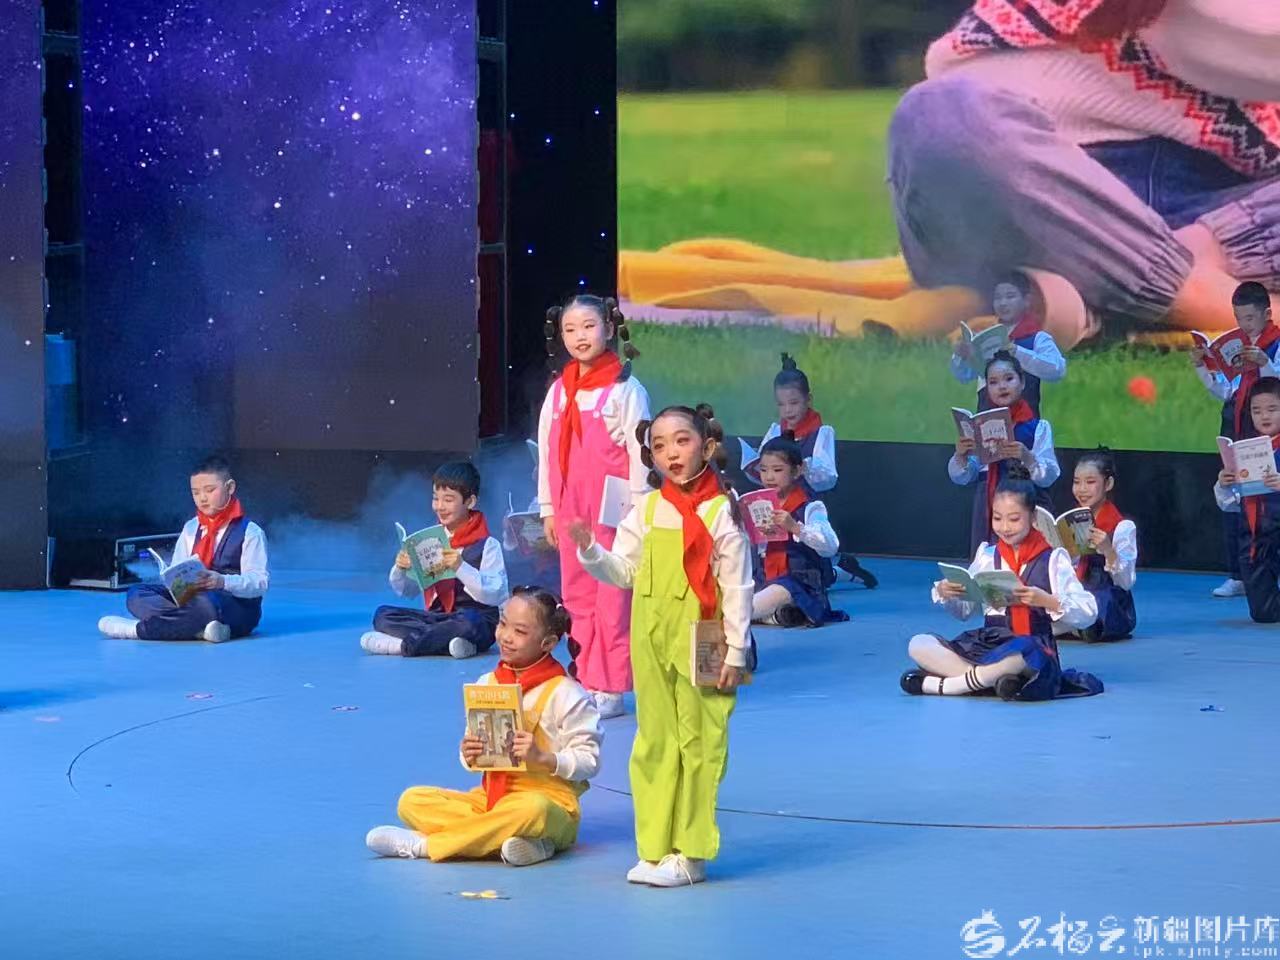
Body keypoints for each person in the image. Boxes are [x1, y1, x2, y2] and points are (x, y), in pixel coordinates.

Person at [890, 0, 1280, 341]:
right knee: (939, 114)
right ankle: (1203, 298)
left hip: (1219, 207)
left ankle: (1072, 293)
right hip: (1027, 188)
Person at [570, 403, 751, 887]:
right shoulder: (648, 509)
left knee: (700, 741)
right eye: (659, 445)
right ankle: (653, 848)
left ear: (707, 447)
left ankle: (690, 853)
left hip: (704, 637)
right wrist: (590, 551)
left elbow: (737, 587)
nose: (671, 452)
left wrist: (736, 651)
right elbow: (624, 571)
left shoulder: (721, 511)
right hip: (651, 638)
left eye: (682, 441)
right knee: (654, 741)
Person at [365, 587, 602, 866]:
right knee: (412, 800)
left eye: (520, 631)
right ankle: (527, 843)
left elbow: (590, 761)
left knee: (532, 810)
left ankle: (426, 845)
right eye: (503, 624)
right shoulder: (488, 683)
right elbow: (475, 752)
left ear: (548, 643)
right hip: (492, 800)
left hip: (549, 804)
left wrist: (543, 758)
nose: (505, 636)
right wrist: (469, 754)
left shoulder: (568, 693)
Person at [536, 295, 650, 718]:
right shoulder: (559, 392)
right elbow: (547, 454)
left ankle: (613, 685)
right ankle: (585, 676)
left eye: (588, 326)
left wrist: (640, 511)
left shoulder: (625, 390)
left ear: (609, 328)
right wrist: (548, 509)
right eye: (570, 329)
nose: (579, 336)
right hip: (571, 508)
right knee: (577, 594)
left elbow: (641, 456)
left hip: (614, 510)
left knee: (613, 596)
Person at [902, 469, 1103, 701]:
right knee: (919, 644)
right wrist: (949, 593)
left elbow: (1089, 613)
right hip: (990, 642)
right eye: (997, 518)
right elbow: (964, 613)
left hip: (1030, 645)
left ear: (1033, 517)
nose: (1005, 527)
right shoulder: (987, 556)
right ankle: (992, 680)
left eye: (1014, 519)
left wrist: (1048, 601)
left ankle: (948, 686)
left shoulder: (1053, 559)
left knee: (1023, 654)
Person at [98, 455, 268, 642]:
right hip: (192, 600)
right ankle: (201, 630)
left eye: (210, 490)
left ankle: (138, 630)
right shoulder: (191, 527)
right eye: (195, 493)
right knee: (136, 595)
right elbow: (178, 571)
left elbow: (259, 583)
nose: (202, 498)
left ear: (230, 487)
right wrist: (173, 580)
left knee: (206, 606)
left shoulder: (250, 532)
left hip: (235, 606)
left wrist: (222, 581)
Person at [743, 353, 877, 588]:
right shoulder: (775, 430)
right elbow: (763, 469)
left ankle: (839, 573)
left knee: (807, 560)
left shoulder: (821, 432)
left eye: (794, 403)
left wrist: (805, 466)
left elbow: (828, 478)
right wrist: (756, 467)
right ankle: (836, 572)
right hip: (778, 502)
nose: (788, 410)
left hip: (802, 503)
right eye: (781, 404)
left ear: (808, 400)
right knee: (778, 555)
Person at [360, 461, 509, 659]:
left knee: (469, 623)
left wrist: (460, 567)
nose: (440, 507)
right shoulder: (430, 540)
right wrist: (401, 568)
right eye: (435, 498)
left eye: (448, 500)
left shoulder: (488, 544)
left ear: (470, 502)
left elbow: (496, 594)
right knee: (383, 615)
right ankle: (452, 644)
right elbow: (408, 591)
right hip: (439, 618)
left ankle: (402, 646)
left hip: (475, 619)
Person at [1192, 281, 1280, 598]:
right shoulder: (1237, 346)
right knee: (1237, 497)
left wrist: (1265, 364)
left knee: (1270, 503)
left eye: (1250, 318)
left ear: (1267, 314)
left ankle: (1269, 575)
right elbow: (1227, 390)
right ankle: (1239, 574)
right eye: (1239, 318)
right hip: (1240, 426)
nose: (1245, 325)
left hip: (1271, 434)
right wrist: (1203, 366)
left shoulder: (1276, 343)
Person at [949, 352, 1060, 552]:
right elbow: (965, 476)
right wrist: (961, 456)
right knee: (988, 559)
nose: (1001, 386)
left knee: (1028, 558)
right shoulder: (980, 426)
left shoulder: (1037, 427)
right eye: (993, 382)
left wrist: (1028, 458)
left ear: (1022, 382)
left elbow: (1049, 476)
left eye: (1009, 379)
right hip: (988, 502)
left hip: (1025, 500)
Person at [749, 432, 846, 628]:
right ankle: (777, 616)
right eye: (763, 470)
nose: (769, 477)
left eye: (777, 470)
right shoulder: (757, 503)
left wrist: (795, 527)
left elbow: (830, 546)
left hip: (798, 583)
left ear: (797, 470)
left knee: (745, 608)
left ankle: (772, 613)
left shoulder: (810, 506)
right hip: (763, 578)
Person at [950, 272, 1067, 415]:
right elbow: (963, 376)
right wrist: (961, 356)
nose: (1003, 303)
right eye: (997, 298)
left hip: (1024, 421)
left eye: (1010, 296)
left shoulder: (1037, 338)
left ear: (1026, 300)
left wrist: (1017, 352)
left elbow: (1057, 370)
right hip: (988, 419)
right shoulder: (986, 338)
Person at [1214, 377, 1280, 623]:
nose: (1264, 416)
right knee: (1264, 614)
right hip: (1257, 536)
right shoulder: (1243, 450)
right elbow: (1228, 503)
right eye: (1256, 410)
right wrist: (1224, 483)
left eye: (1272, 409)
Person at [1068, 449, 1138, 641]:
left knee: (1100, 603)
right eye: (1076, 482)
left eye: (1090, 482)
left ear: (1108, 484)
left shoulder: (1122, 527)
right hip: (1075, 590)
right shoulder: (1070, 521)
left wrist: (1108, 550)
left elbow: (1126, 582)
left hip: (1105, 595)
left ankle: (1079, 626)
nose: (1082, 489)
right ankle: (1076, 626)